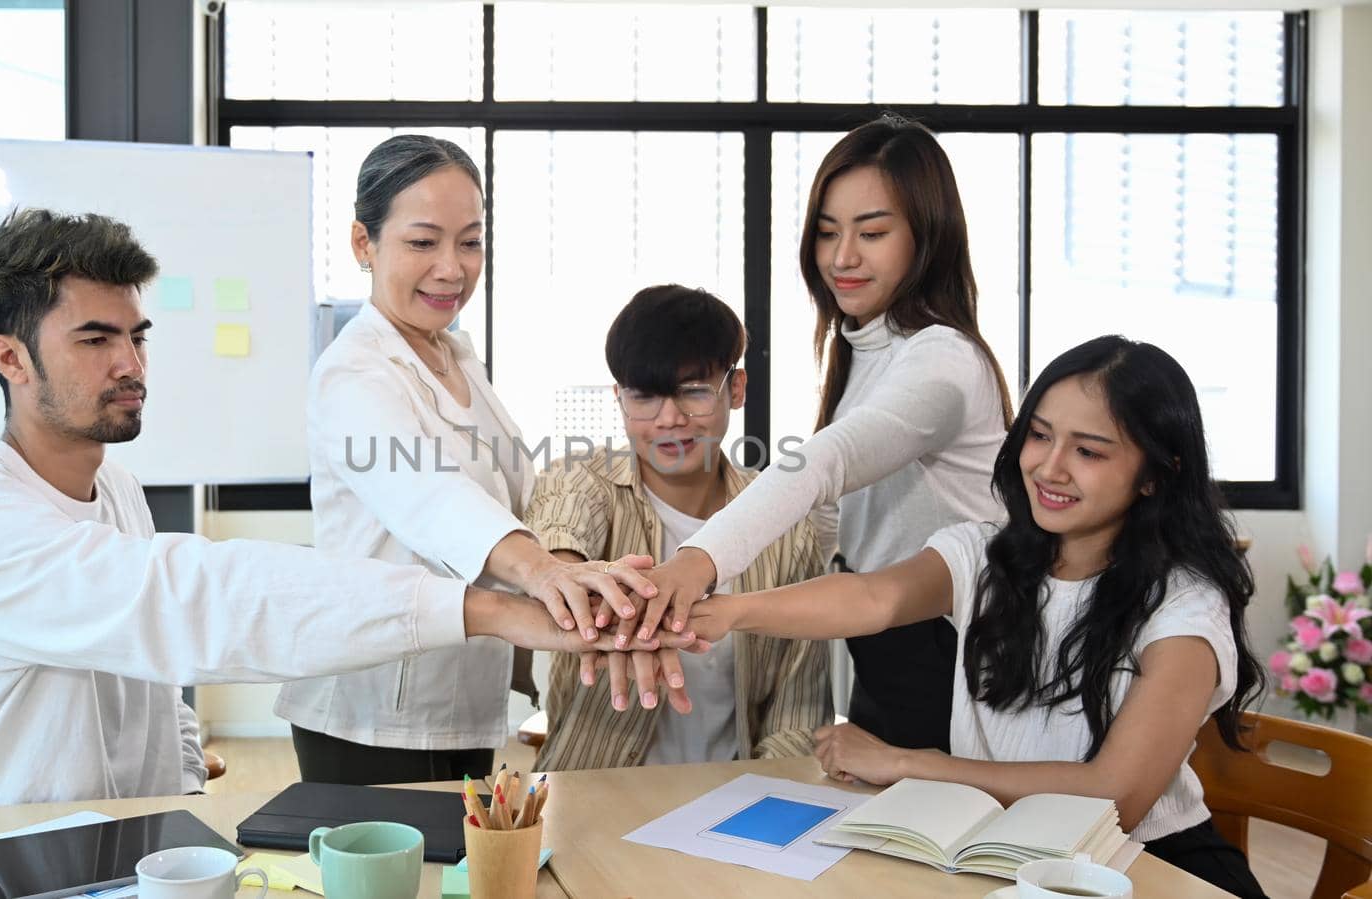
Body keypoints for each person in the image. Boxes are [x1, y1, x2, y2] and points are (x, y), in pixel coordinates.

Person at [0, 208, 688, 847]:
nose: (130, 364)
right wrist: (501, 607)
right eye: (95, 339)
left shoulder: (117, 489)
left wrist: (183, 795)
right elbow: (200, 600)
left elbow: (161, 677)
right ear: (11, 358)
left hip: (117, 855)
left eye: (135, 336)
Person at [684, 336, 1268, 899]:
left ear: (1154, 476)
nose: (1050, 468)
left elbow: (1113, 796)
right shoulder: (983, 554)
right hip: (998, 855)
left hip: (1151, 868)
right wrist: (727, 611)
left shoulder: (1186, 604)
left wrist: (905, 764)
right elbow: (870, 599)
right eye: (1039, 436)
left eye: (1088, 451)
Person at [274, 135, 659, 786]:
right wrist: (539, 570)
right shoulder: (354, 373)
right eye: (423, 242)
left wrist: (583, 569)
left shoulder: (458, 356)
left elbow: (518, 490)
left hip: (465, 694)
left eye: (470, 241)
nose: (452, 268)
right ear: (364, 244)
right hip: (371, 706)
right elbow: (430, 498)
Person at [631, 115, 1013, 753]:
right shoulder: (861, 349)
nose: (842, 257)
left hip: (953, 650)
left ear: (929, 237)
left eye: (873, 232)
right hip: (883, 642)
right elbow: (842, 517)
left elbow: (822, 465)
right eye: (828, 232)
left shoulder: (941, 360)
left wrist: (696, 562)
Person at [525, 285, 831, 770]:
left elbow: (797, 711)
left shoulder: (786, 524)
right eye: (644, 396)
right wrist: (582, 591)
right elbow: (560, 535)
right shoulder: (579, 478)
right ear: (619, 399)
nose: (669, 419)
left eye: (693, 392)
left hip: (734, 806)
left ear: (736, 389)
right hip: (592, 798)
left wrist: (764, 803)